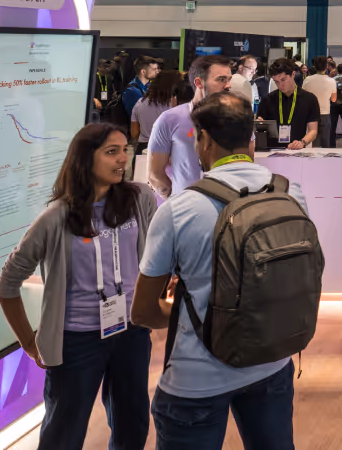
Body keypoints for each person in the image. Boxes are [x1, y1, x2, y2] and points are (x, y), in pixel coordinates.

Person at [131, 92, 308, 450]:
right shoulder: (291, 194)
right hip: (273, 359)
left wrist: (197, 311)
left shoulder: (180, 208)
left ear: (203, 140)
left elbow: (143, 311)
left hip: (197, 378)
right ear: (252, 139)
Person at [0, 122, 159, 450]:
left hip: (130, 330)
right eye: (111, 152)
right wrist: (29, 342)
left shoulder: (140, 198)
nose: (122, 159)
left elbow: (152, 258)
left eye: (124, 150)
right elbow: (7, 284)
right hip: (77, 339)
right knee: (63, 433)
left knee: (133, 423)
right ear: (86, 159)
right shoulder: (56, 216)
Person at [148, 55, 234, 197]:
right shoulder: (170, 119)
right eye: (221, 80)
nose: (228, 85)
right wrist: (179, 203)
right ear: (199, 83)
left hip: (228, 209)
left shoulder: (238, 118)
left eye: (229, 79)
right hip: (188, 209)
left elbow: (246, 164)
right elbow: (155, 174)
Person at [257, 57, 321, 150]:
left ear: (293, 74)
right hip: (271, 151)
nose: (280, 85)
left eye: (283, 80)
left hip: (296, 151)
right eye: (276, 82)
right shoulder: (267, 99)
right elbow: (260, 126)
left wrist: (302, 142)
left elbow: (313, 130)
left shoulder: (309, 99)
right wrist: (259, 124)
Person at [129, 69, 182, 170]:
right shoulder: (175, 106)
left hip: (142, 151)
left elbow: (134, 133)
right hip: (168, 153)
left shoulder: (140, 103)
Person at [302, 55, 339, 147]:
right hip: (325, 113)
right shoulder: (331, 81)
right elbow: (334, 99)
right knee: (325, 142)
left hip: (310, 114)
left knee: (311, 141)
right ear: (326, 66)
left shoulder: (307, 80)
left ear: (314, 66)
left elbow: (302, 96)